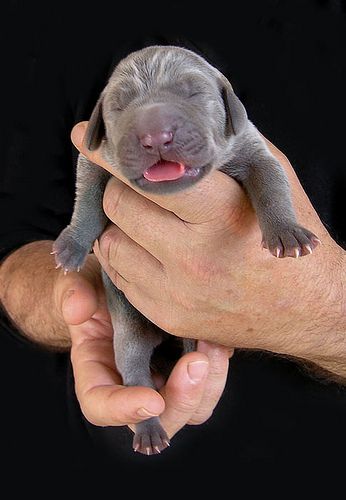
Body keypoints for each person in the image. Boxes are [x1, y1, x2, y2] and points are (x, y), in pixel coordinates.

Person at [0, 0, 345, 483]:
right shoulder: (41, 27)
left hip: (305, 456)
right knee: (131, 351)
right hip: (79, 459)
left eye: (191, 94)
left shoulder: (245, 126)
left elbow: (260, 164)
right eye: (120, 105)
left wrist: (317, 295)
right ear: (100, 120)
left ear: (231, 107)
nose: (156, 134)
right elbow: (21, 226)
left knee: (198, 348)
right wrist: (75, 263)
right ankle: (145, 419)